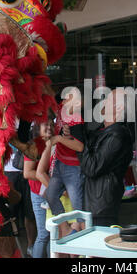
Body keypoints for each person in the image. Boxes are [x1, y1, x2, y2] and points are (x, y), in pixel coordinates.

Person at [77, 88, 134, 226]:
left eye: (109, 99)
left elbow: (92, 167)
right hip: (94, 203)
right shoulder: (104, 130)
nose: (104, 102)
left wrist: (79, 144)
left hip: (101, 206)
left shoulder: (117, 135)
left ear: (118, 108)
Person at [45, 88, 85, 237]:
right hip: (60, 163)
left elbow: (80, 147)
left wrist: (59, 139)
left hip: (72, 167)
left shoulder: (76, 118)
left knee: (78, 210)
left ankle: (83, 248)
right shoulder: (62, 108)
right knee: (50, 195)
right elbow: (49, 102)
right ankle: (66, 229)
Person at [23, 121, 53, 258]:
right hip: (39, 193)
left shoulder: (56, 142)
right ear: (37, 128)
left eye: (51, 124)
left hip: (53, 193)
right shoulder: (33, 145)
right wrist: (48, 179)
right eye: (45, 124)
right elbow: (27, 173)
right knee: (44, 233)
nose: (49, 127)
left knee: (54, 232)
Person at [4, 142, 37, 258]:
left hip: (28, 170)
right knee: (10, 213)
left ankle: (30, 246)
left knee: (30, 212)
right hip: (9, 171)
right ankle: (12, 248)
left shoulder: (30, 124)